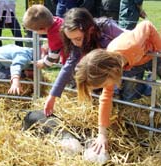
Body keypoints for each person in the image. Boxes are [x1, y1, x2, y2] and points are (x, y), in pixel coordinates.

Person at [75, 20, 161, 154]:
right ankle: (149, 86)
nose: (104, 88)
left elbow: (147, 25)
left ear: (109, 73)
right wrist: (102, 134)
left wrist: (158, 48)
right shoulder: (110, 67)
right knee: (129, 97)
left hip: (150, 52)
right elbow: (106, 98)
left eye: (102, 85)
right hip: (132, 64)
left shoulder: (132, 45)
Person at [43, 8, 124, 116]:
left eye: (77, 38)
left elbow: (128, 41)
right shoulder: (78, 42)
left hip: (128, 66)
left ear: (89, 30)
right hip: (108, 74)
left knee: (128, 96)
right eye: (70, 39)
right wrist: (52, 96)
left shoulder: (107, 28)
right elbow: (69, 65)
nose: (75, 43)